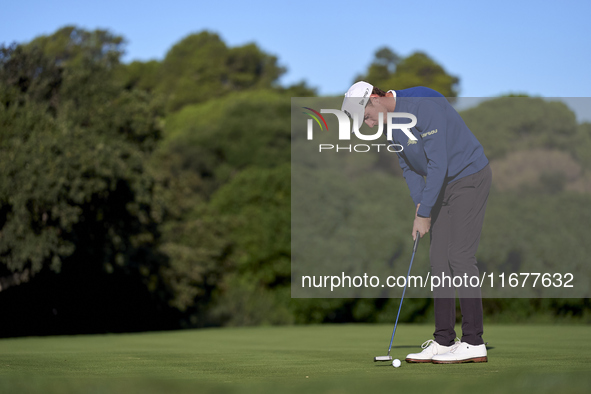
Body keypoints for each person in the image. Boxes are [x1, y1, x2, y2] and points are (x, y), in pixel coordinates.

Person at [341, 81, 492, 364]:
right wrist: (421, 208)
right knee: (438, 261)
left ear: (374, 99)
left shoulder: (424, 103)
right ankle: (444, 341)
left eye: (367, 118)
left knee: (459, 256)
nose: (369, 126)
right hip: (443, 186)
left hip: (469, 178)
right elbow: (409, 167)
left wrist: (425, 213)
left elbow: (438, 162)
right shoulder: (390, 124)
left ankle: (474, 342)